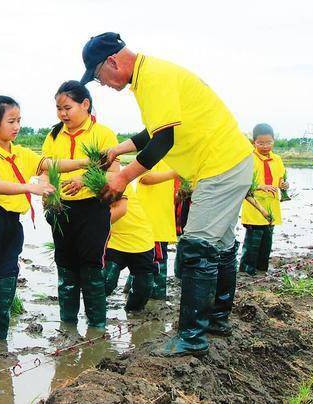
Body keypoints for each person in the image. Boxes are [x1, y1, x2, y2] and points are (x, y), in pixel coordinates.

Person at [80, 32, 254, 356]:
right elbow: (155, 131)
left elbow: (163, 142)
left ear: (112, 62)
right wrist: (119, 148)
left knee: (197, 248)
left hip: (220, 166)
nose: (101, 84)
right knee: (223, 244)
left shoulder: (154, 79)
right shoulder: (151, 74)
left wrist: (122, 180)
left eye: (98, 76)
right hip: (231, 162)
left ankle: (191, 339)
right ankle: (216, 321)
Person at [0, 95, 90, 351]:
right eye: (11, 121)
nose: (16, 127)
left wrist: (84, 161)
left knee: (5, 292)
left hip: (12, 228)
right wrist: (31, 187)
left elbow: (50, 164)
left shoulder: (21, 153)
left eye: (19, 121)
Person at [41, 81, 119, 330]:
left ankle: (97, 327)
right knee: (65, 265)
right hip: (61, 209)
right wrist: (45, 190)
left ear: (85, 105)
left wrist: (83, 181)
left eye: (67, 107)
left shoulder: (103, 134)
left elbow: (114, 174)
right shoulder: (53, 135)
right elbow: (45, 168)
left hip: (92, 209)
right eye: (58, 109)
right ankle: (67, 326)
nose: (62, 114)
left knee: (91, 266)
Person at [123, 160, 178, 299]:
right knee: (156, 260)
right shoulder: (157, 154)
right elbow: (145, 178)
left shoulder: (174, 160)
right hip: (152, 222)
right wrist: (175, 173)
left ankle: (131, 291)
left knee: (141, 259)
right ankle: (155, 299)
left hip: (160, 221)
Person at [239, 123, 288, 275]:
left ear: (274, 141)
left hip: (271, 207)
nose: (265, 146)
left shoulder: (277, 160)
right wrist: (261, 186)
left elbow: (280, 178)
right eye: (261, 143)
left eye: (269, 142)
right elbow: (243, 182)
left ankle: (262, 270)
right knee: (253, 241)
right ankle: (247, 271)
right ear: (254, 142)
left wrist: (284, 185)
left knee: (267, 241)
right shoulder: (249, 159)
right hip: (255, 206)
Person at [104, 181, 155, 312]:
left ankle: (134, 315)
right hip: (114, 240)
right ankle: (95, 315)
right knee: (106, 281)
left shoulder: (118, 181)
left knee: (143, 288)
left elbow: (121, 210)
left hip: (140, 238)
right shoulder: (84, 182)